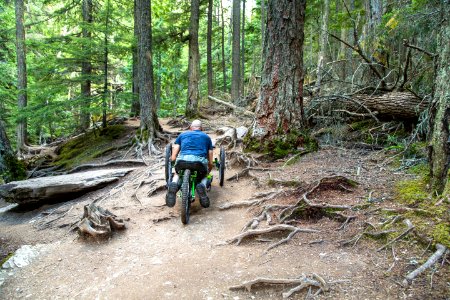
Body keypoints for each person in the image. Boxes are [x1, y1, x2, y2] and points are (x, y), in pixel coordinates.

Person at [166, 119, 213, 208]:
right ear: (201, 128)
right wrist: (209, 169)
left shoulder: (182, 135)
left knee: (177, 173)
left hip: (182, 160)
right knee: (204, 175)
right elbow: (210, 156)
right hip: (198, 162)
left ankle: (174, 184)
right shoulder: (206, 137)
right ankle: (201, 185)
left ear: (191, 128)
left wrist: (173, 160)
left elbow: (174, 154)